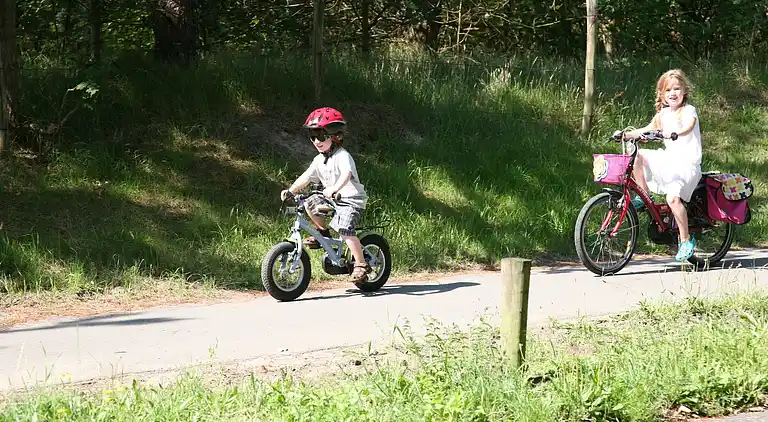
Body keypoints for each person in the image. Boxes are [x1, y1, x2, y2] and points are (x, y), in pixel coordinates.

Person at [280, 107, 372, 282]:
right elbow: (306, 177)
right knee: (309, 202)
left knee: (344, 229)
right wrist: (291, 190)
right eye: (312, 137)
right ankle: (323, 233)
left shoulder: (342, 156)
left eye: (321, 136)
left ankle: (360, 264)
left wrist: (335, 188)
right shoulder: (319, 160)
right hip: (332, 198)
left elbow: (347, 174)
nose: (316, 141)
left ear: (335, 136)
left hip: (351, 200)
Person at [624, 69, 702, 262]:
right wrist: (626, 135)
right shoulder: (663, 114)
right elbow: (647, 129)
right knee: (638, 155)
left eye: (677, 89)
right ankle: (644, 195)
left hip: (687, 165)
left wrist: (676, 133)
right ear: (662, 94)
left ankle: (685, 240)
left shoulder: (688, 110)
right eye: (668, 90)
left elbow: (688, 126)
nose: (673, 93)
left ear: (684, 91)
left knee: (673, 199)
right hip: (669, 160)